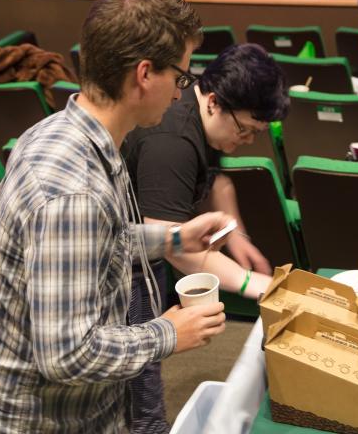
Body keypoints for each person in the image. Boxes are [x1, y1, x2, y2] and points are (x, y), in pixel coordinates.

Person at [0, 0, 233, 433]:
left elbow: (102, 240)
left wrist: (176, 236)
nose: (181, 93)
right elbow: (66, 354)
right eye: (179, 77)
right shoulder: (73, 193)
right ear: (143, 74)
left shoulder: (64, 131)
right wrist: (169, 333)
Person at [122, 43, 289, 433]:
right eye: (244, 130)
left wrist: (237, 234)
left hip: (143, 248)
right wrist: (256, 285)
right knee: (141, 385)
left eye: (256, 133)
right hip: (123, 262)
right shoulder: (174, 141)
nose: (246, 140)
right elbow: (172, 244)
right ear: (214, 101)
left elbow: (217, 180)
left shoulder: (205, 112)